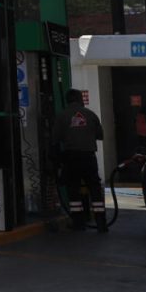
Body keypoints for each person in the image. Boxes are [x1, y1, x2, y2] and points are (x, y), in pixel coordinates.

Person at [53, 88, 107, 232]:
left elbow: (55, 139)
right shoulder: (91, 115)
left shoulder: (62, 116)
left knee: (73, 189)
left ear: (67, 100)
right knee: (94, 188)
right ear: (80, 99)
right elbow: (100, 135)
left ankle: (78, 223)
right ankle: (101, 222)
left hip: (72, 157)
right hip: (89, 157)